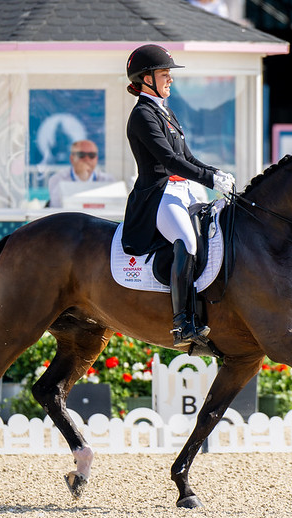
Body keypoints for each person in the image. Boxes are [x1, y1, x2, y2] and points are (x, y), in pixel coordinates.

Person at [122, 44, 235, 348]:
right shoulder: (143, 116)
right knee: (186, 241)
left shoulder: (165, 111)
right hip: (158, 194)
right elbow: (171, 162)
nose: (170, 79)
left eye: (169, 74)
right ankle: (183, 323)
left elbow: (187, 157)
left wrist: (215, 173)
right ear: (146, 78)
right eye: (164, 74)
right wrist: (210, 179)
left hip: (183, 189)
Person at [46, 140, 114, 208]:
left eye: (91, 155)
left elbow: (114, 207)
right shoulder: (57, 179)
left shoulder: (108, 180)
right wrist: (82, 179)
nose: (87, 159)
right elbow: (56, 207)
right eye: (81, 155)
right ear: (72, 158)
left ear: (96, 159)